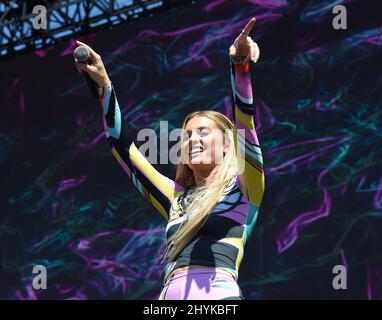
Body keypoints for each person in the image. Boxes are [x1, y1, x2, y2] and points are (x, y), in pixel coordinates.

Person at [74, 17, 264, 300]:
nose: (193, 140)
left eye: (203, 133)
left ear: (227, 145)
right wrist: (104, 86)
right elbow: (121, 144)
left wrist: (240, 68)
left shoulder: (245, 189)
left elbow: (245, 124)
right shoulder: (175, 197)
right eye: (187, 135)